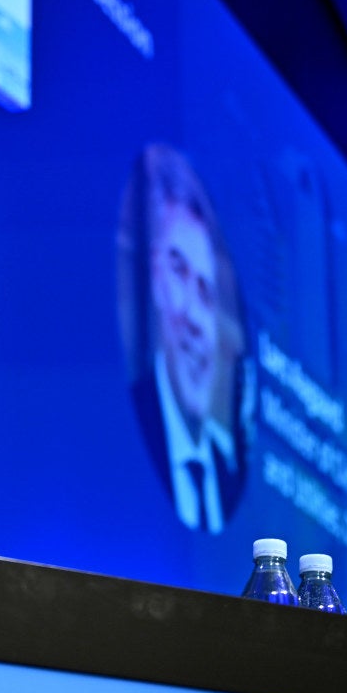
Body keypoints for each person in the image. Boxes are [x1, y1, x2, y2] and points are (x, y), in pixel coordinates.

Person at [119, 144, 246, 534]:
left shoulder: (229, 473)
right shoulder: (128, 434)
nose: (193, 316)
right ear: (154, 279)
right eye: (178, 270)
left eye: (206, 292)